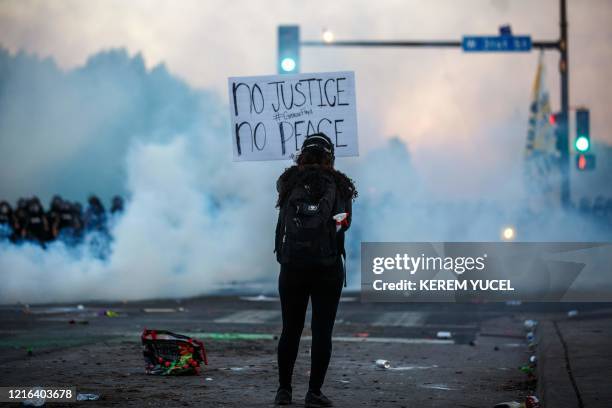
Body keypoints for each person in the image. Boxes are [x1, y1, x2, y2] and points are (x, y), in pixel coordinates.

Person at [274, 133, 357, 407]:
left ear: (302, 155)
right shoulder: (340, 185)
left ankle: (284, 392)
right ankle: (314, 393)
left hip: (292, 267)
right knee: (322, 332)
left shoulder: (288, 182)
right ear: (330, 157)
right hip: (326, 268)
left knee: (290, 330)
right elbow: (343, 224)